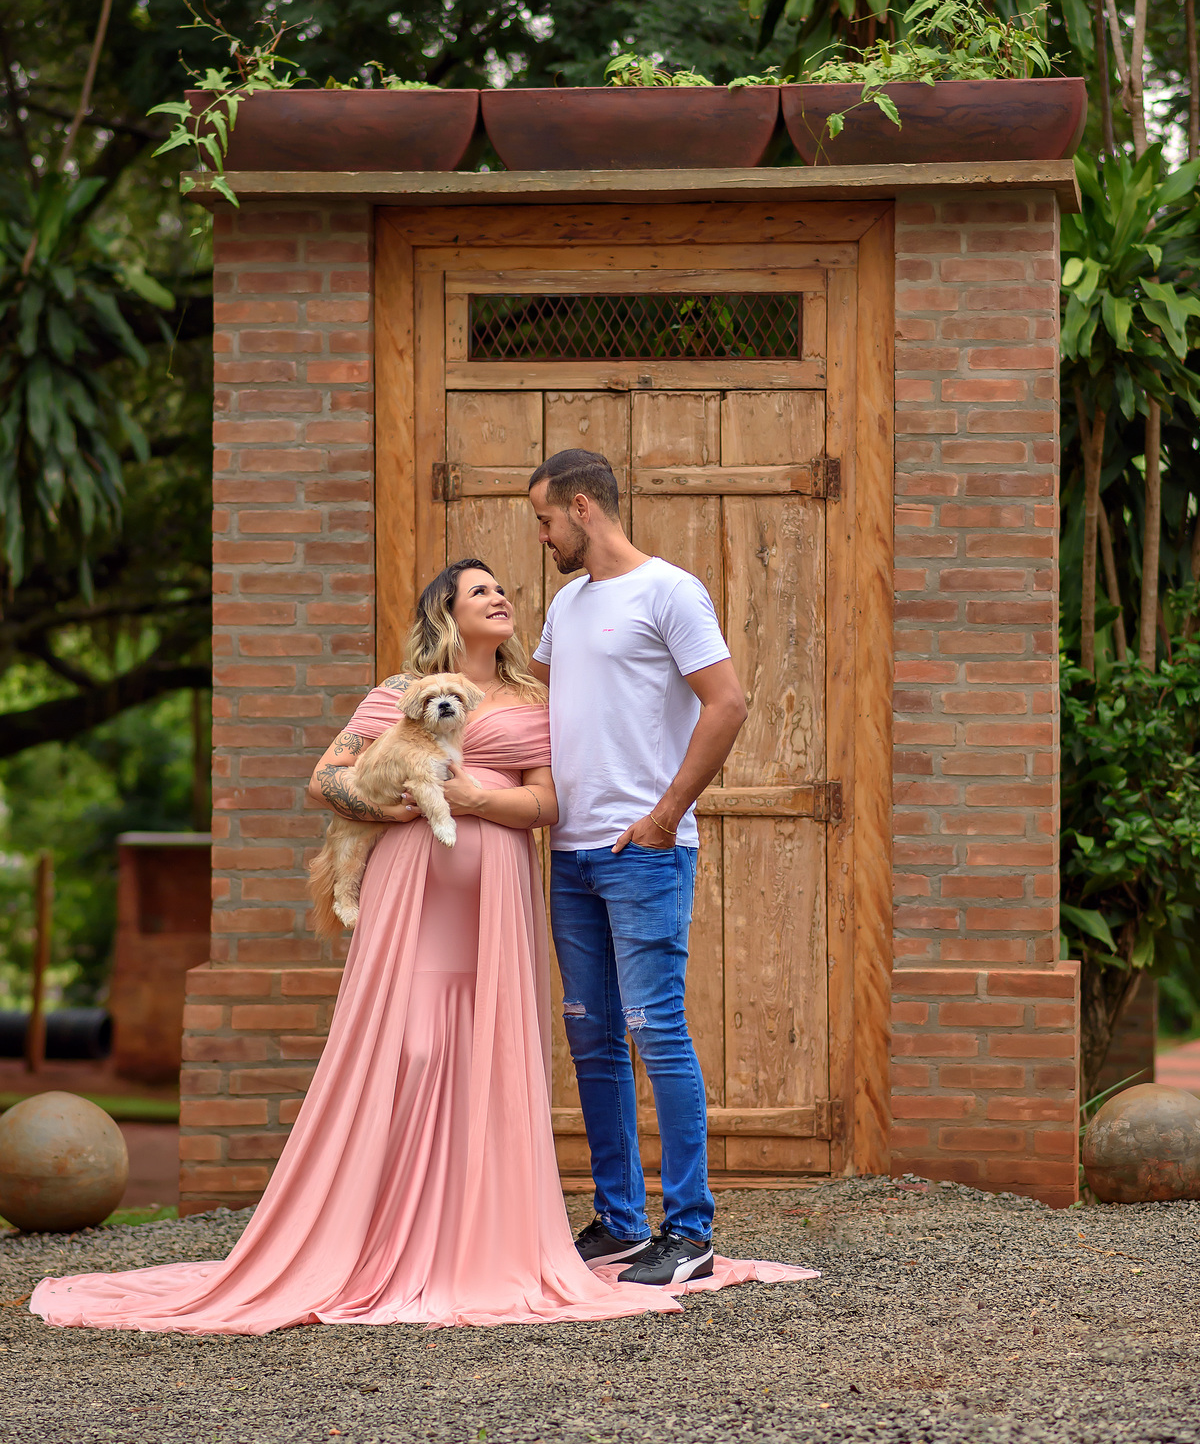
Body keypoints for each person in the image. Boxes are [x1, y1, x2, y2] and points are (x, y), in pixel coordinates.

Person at [31, 559, 808, 1334]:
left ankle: (483, 1233)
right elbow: (325, 779)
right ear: (446, 614)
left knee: (486, 1049)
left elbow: (548, 803)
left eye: (501, 589)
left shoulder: (535, 701)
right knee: (414, 1046)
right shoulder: (398, 694)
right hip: (413, 894)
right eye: (481, 591)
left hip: (494, 897)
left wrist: (475, 798)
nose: (500, 598)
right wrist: (396, 810)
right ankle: (390, 1227)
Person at [527, 449, 748, 1287]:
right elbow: (533, 706)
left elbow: (728, 703)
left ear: (583, 508)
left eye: (546, 519)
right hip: (570, 855)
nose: (543, 536)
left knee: (656, 1031)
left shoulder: (670, 591)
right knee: (591, 1037)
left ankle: (689, 1232)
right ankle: (620, 1220)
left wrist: (664, 816)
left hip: (643, 855)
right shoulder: (566, 603)